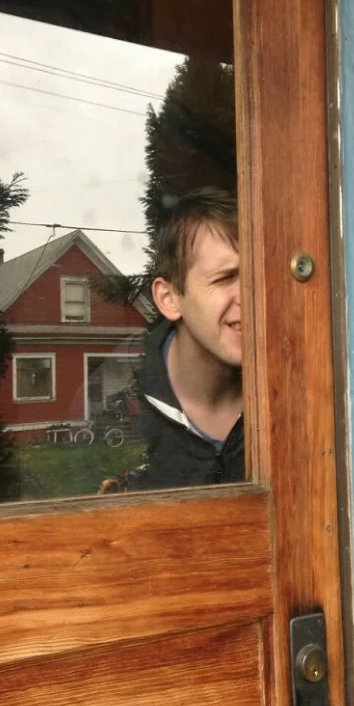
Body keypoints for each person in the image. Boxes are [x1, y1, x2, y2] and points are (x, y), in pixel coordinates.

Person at [136, 187, 244, 490]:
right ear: (169, 299)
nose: (251, 294)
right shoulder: (123, 411)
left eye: (259, 274)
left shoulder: (294, 397)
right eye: (225, 278)